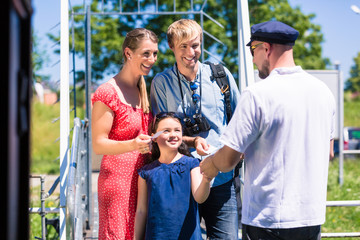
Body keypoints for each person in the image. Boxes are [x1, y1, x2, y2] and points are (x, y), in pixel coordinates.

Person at [200, 20, 336, 240]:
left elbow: (227, 160)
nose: (253, 59)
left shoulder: (257, 94)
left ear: (266, 48)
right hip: (312, 218)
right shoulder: (323, 92)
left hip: (268, 219)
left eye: (253, 49)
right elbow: (328, 153)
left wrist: (211, 164)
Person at [150, 19, 241, 239]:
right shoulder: (161, 83)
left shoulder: (221, 75)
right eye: (184, 46)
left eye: (196, 45)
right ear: (171, 46)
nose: (191, 52)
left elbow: (240, 122)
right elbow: (161, 132)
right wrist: (192, 141)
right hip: (181, 180)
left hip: (222, 177)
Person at [91, 28, 158, 240]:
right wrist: (133, 145)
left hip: (144, 180)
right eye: (146, 53)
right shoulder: (108, 92)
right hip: (118, 183)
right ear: (128, 53)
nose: (152, 59)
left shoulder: (144, 89)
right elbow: (99, 144)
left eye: (155, 53)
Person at [134, 112, 212, 240]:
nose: (173, 135)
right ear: (154, 137)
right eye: (166, 131)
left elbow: (200, 197)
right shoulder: (145, 172)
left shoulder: (192, 164)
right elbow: (141, 211)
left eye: (177, 130)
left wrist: (207, 178)